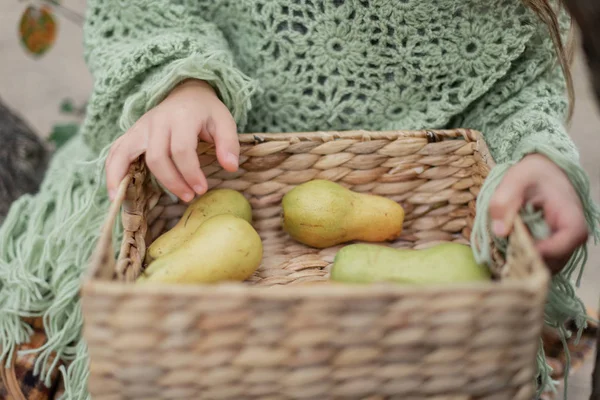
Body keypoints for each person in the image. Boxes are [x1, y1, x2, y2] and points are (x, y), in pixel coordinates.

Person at [0, 0, 598, 398]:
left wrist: (537, 157)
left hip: (405, 265)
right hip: (198, 175)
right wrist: (183, 82)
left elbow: (522, 90)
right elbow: (150, 9)